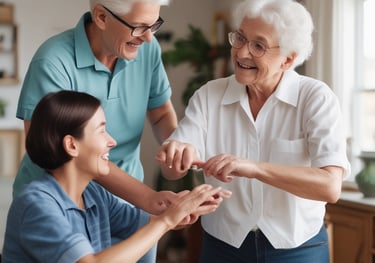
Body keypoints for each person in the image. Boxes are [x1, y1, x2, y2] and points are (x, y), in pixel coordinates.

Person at [156, 0, 351, 262]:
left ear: (288, 59)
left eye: (258, 45)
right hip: (222, 247)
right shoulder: (208, 96)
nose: (241, 53)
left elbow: (329, 187)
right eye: (240, 38)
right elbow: (174, 166)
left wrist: (254, 168)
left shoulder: (315, 98)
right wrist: (177, 155)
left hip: (298, 248)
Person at [15, 1, 177, 261]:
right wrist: (149, 200)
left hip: (122, 203)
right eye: (139, 27)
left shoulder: (147, 50)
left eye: (154, 25)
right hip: (67, 201)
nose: (148, 37)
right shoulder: (53, 61)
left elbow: (160, 113)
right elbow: (53, 148)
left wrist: (175, 147)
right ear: (101, 16)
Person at [2, 90, 230, 263]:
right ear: (72, 145)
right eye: (101, 130)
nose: (112, 141)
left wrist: (182, 210)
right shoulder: (36, 204)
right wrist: (167, 220)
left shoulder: (94, 194)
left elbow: (145, 225)